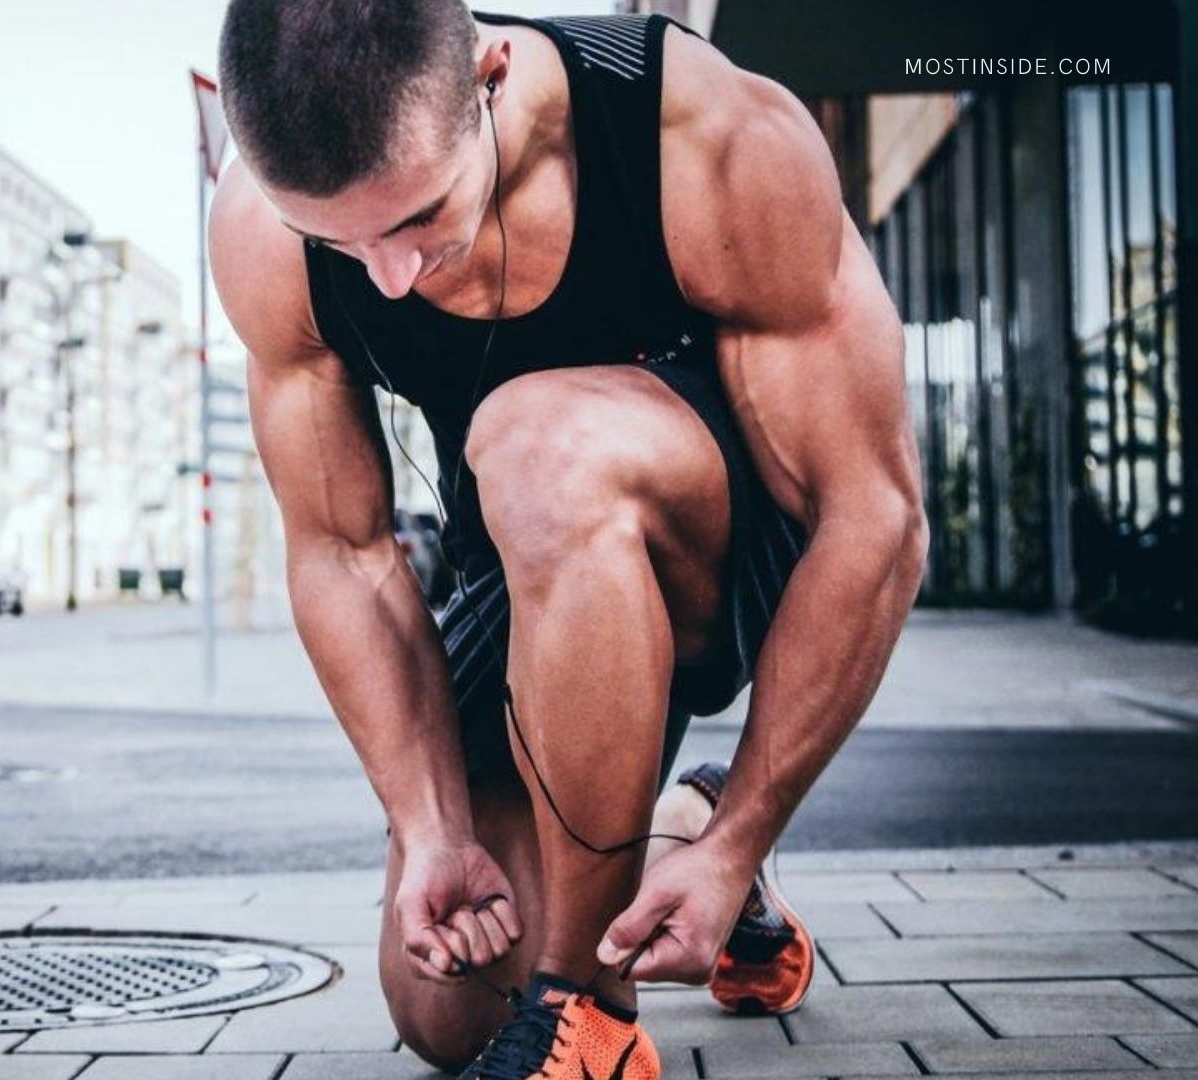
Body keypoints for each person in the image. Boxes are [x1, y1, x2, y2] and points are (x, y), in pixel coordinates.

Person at [207, 4, 928, 1077]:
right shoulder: (264, 232)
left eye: (415, 218)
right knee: (448, 1009)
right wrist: (433, 827)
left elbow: (876, 514)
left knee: (539, 441)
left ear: (491, 77)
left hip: (730, 556)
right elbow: (343, 553)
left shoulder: (701, 135)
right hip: (526, 572)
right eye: (338, 242)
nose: (387, 277)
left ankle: (589, 1009)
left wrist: (751, 842)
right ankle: (684, 823)